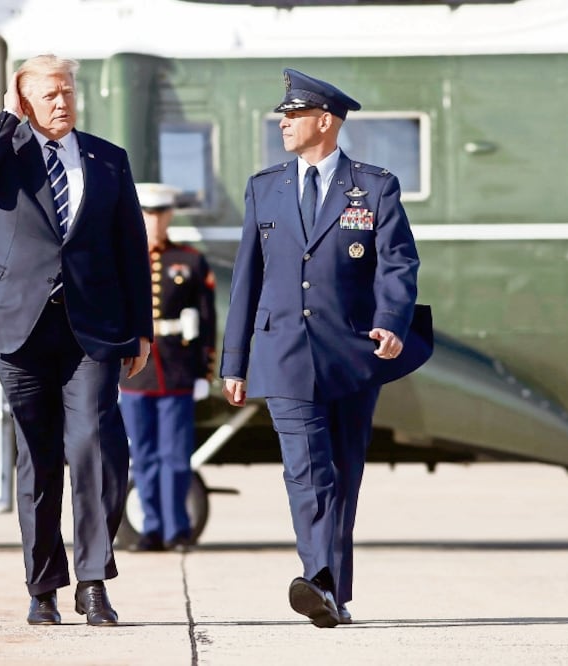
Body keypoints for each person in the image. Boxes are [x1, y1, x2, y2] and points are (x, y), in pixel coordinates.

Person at [220, 69, 433, 627]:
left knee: (343, 470)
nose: (284, 123)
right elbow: (248, 276)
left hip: (353, 352)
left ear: (325, 121)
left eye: (294, 116)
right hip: (282, 349)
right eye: (282, 116)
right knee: (306, 469)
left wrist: (391, 322)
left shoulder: (375, 186)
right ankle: (317, 577)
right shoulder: (265, 187)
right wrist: (234, 360)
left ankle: (332, 590)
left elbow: (398, 263)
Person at [0, 54, 152, 626]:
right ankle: (43, 589)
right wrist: (5, 120)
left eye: (68, 91)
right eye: (49, 94)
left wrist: (142, 328)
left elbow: (131, 248)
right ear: (23, 98)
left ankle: (93, 581)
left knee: (96, 447)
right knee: (37, 458)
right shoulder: (3, 154)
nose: (62, 102)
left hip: (93, 329)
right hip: (17, 325)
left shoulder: (108, 159)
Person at [119, 182, 216, 553]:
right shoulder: (123, 260)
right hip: (134, 372)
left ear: (170, 215)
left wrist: (204, 372)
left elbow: (206, 322)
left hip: (176, 369)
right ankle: (152, 528)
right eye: (147, 214)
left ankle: (178, 530)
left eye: (161, 214)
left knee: (175, 456)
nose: (155, 222)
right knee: (142, 456)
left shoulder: (190, 260)